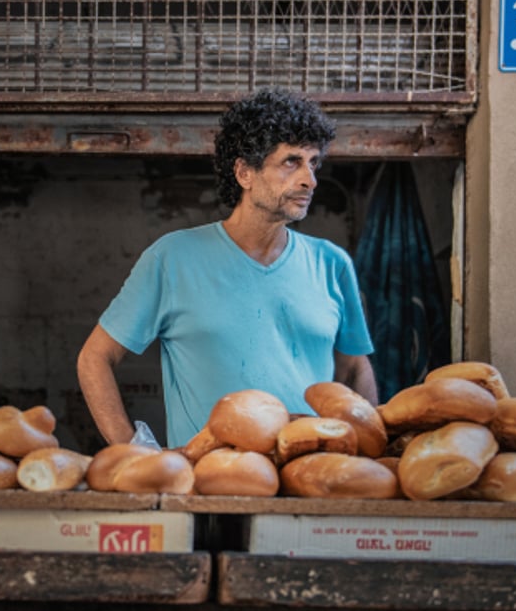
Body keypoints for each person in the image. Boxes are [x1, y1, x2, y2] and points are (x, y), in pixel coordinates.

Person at [78, 87, 377, 452]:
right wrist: (135, 452)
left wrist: (369, 452)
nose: (309, 180)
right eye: (291, 162)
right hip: (209, 485)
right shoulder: (173, 258)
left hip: (309, 480)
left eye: (313, 163)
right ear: (244, 173)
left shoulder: (332, 264)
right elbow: (95, 358)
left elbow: (354, 368)